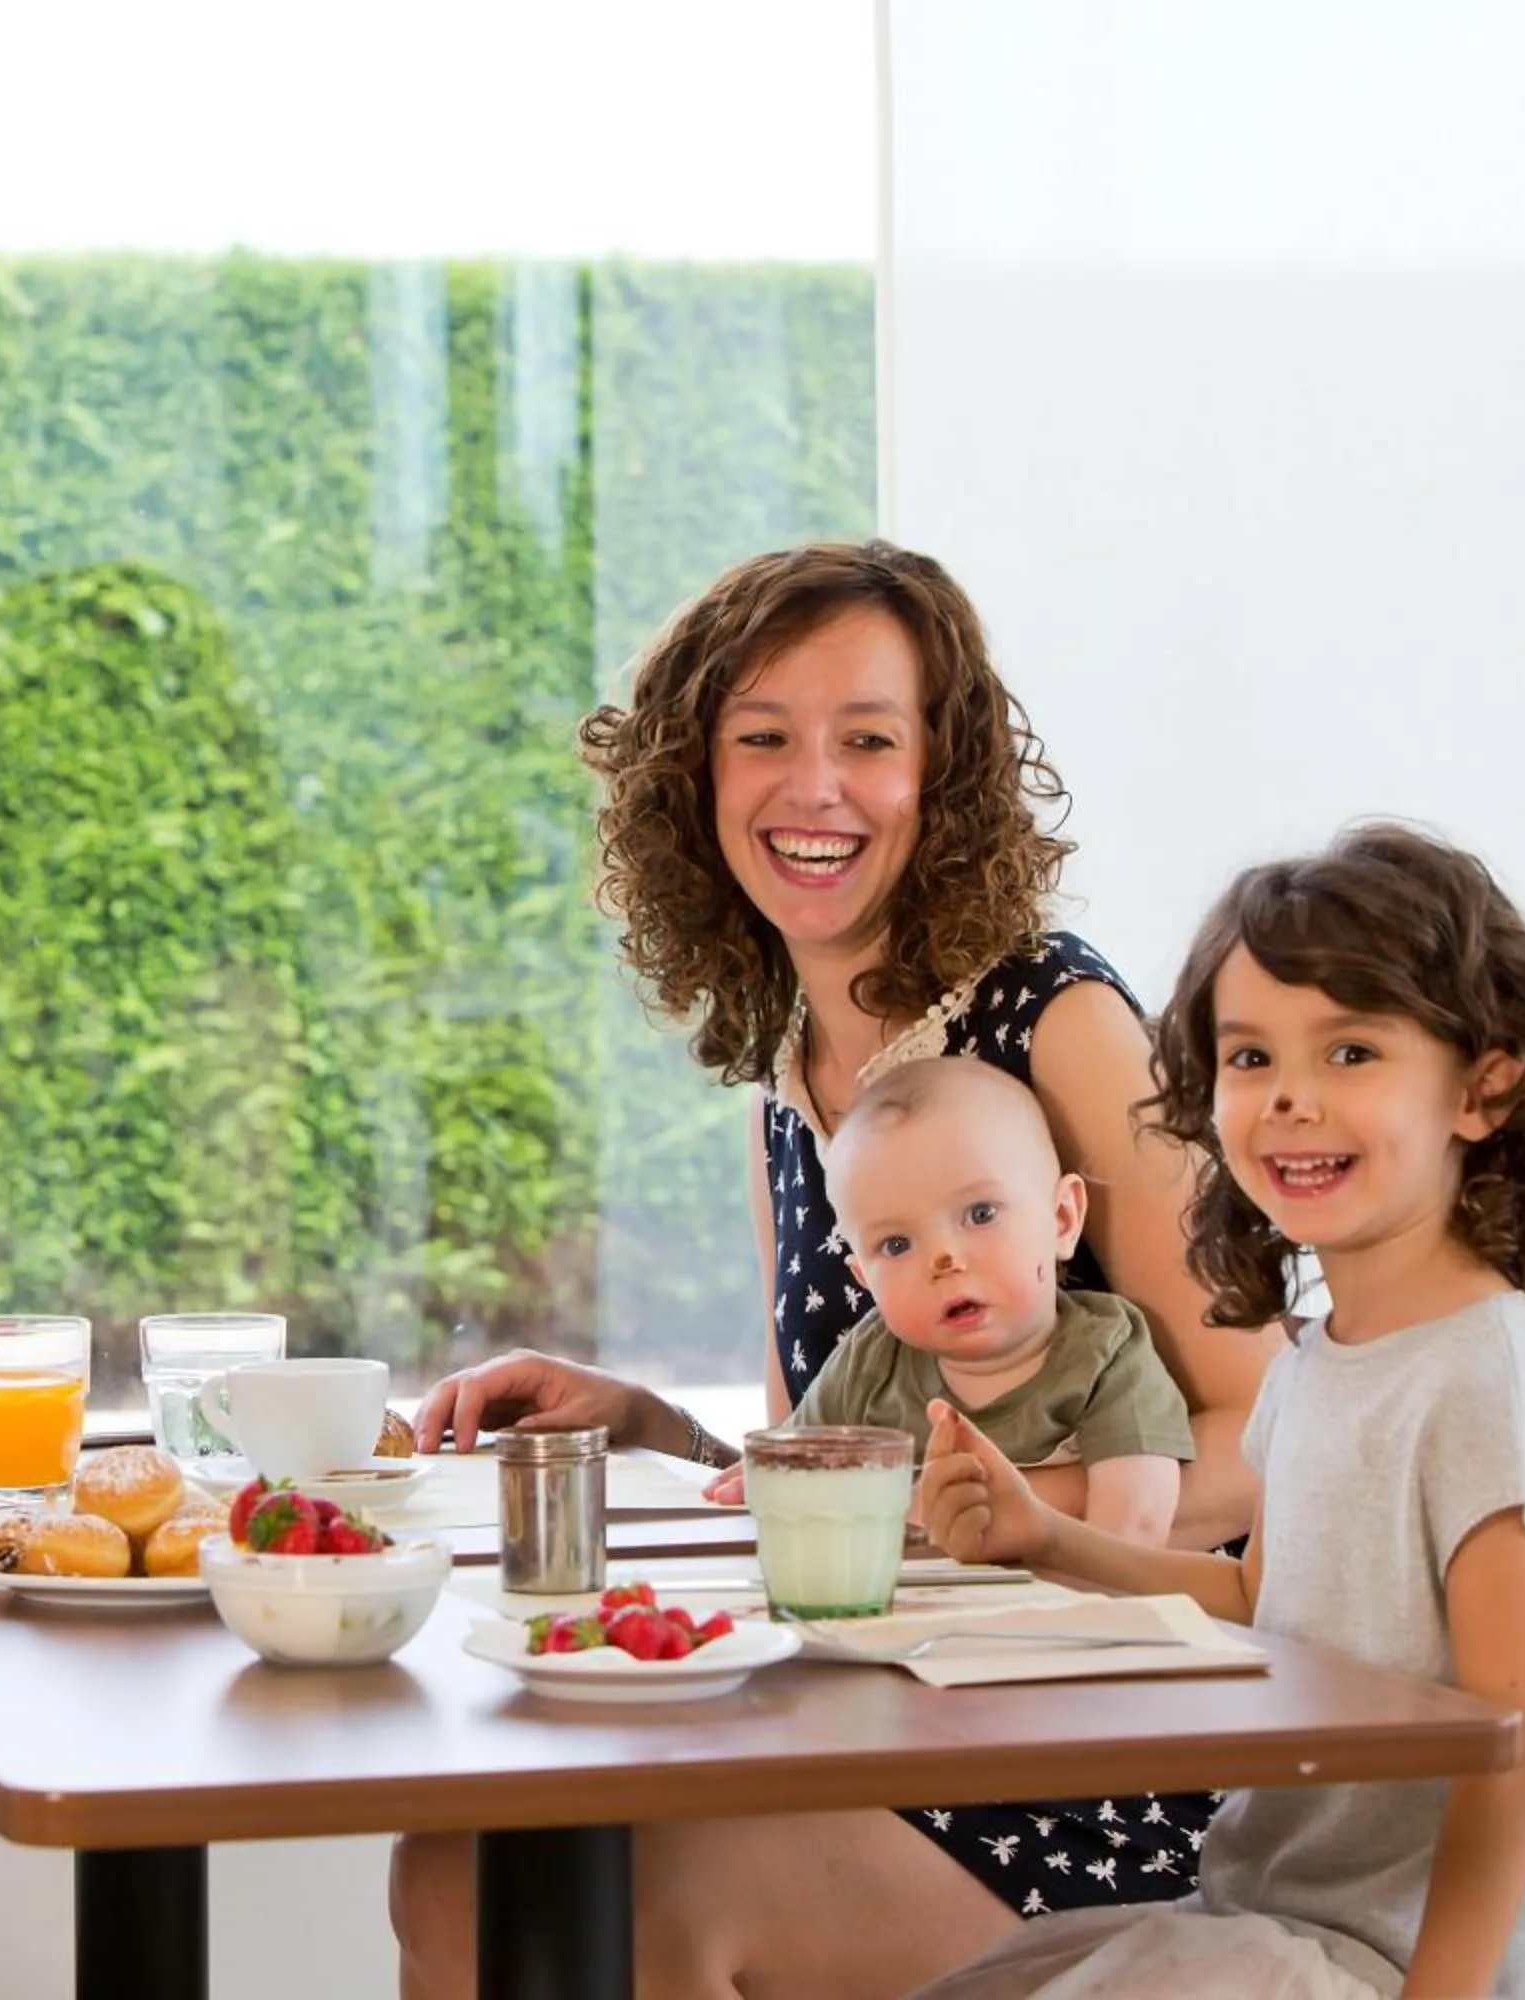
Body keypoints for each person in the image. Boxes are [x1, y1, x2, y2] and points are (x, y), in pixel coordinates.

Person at [395, 540, 1272, 1997]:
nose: (815, 788)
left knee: (640, 1895)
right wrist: (654, 1436)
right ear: (696, 781)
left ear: (944, 777)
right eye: (763, 741)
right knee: (457, 1866)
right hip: (890, 1707)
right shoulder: (788, 1081)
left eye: (869, 740)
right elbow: (833, 1450)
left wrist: (1014, 1517)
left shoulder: (1059, 1022)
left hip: (1106, 1754)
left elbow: (1272, 1434)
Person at [914, 823, 1525, 1996]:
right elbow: (1269, 1598)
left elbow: (1518, 1738)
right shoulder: (1322, 1358)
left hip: (1407, 1957)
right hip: (1266, 1906)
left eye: (1352, 1051)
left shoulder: (1479, 1377)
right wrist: (1048, 1539)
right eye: (1250, 1058)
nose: (1290, 1098)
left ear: (1485, 1082)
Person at [797, 1055, 1193, 1549]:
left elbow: (1134, 1529)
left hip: (1060, 1612)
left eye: (980, 1213)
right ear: (864, 1279)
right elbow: (796, 1473)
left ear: (1063, 1219)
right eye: (896, 1245)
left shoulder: (1105, 1354)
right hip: (904, 1614)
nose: (944, 1259)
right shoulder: (871, 1361)